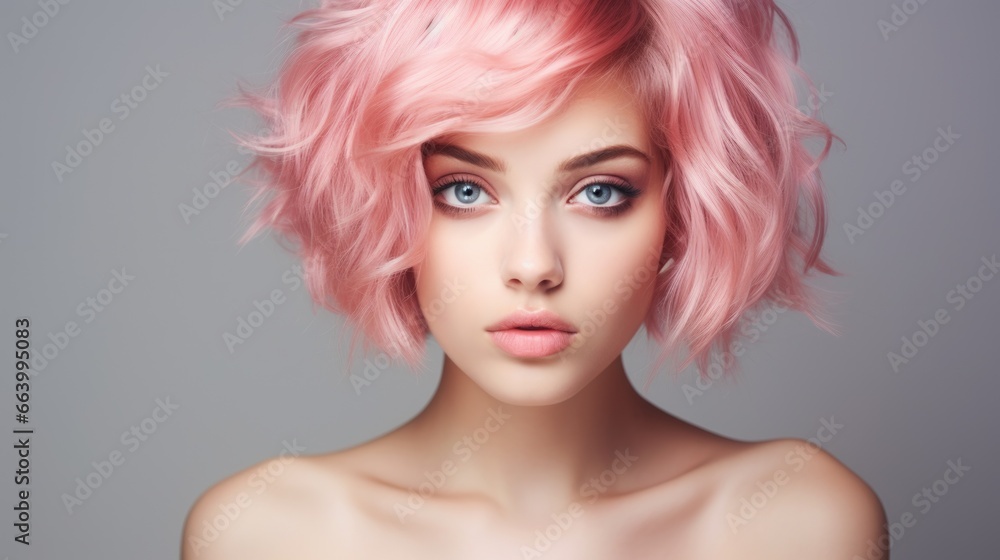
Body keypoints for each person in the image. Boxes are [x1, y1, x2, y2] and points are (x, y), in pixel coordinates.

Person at [182, 0, 888, 557]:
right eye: (464, 190)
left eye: (601, 192)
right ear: (384, 204)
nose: (532, 266)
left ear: (684, 210)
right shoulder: (268, 536)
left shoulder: (796, 524)